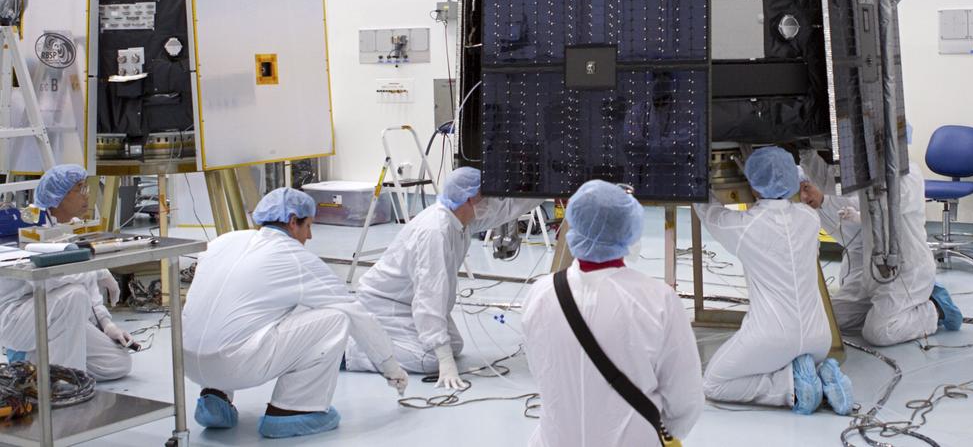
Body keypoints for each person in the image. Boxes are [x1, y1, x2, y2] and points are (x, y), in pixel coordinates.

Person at [182, 187, 408, 439]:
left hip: (187, 361)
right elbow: (355, 312)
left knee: (233, 316)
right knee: (336, 318)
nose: (310, 235)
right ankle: (290, 412)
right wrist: (391, 368)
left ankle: (215, 399)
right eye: (308, 226)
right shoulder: (295, 257)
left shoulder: (224, 241)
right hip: (235, 364)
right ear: (292, 222)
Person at [523, 180, 702, 447]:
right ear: (630, 227)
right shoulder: (658, 300)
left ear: (574, 224)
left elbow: (544, 373)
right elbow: (685, 398)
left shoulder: (540, 293)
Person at [345, 167, 540, 385]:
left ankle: (375, 338)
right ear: (468, 199)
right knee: (431, 359)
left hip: (405, 302)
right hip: (385, 304)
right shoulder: (435, 232)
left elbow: (506, 210)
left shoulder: (460, 218)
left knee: (453, 345)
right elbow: (429, 297)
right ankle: (352, 350)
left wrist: (548, 192)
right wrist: (445, 362)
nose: (489, 202)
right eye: (483, 197)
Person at [695, 146, 852, 415]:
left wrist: (696, 179)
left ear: (754, 188)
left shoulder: (744, 227)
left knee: (713, 384)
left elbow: (709, 212)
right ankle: (818, 374)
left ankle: (789, 388)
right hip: (820, 338)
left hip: (771, 337)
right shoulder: (809, 218)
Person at [798, 150, 962, 346]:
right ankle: (884, 311)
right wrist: (806, 151)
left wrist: (859, 213)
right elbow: (830, 183)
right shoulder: (868, 172)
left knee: (879, 333)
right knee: (831, 319)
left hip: (905, 271)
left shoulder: (908, 175)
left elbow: (887, 202)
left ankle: (935, 308)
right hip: (875, 269)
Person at [0, 165, 133, 380]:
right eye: (79, 188)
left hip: (58, 313)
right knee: (74, 295)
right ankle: (63, 386)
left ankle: (35, 361)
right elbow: (48, 277)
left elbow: (87, 285)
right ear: (57, 196)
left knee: (116, 363)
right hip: (17, 316)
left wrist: (107, 324)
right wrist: (96, 271)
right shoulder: (31, 228)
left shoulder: (72, 227)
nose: (86, 195)